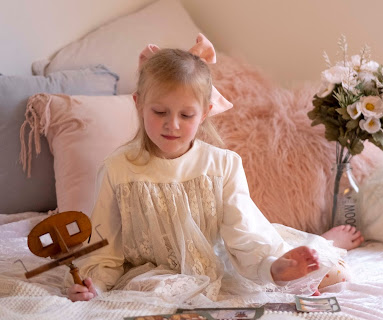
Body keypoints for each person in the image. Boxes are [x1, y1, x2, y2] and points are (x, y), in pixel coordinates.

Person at [66, 34, 364, 304]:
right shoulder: (117, 168)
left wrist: (272, 268)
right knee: (161, 292)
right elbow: (105, 246)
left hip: (222, 261)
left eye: (186, 115)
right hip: (153, 272)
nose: (172, 124)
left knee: (333, 273)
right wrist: (96, 285)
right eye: (160, 112)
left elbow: (243, 233)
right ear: (139, 104)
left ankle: (327, 241)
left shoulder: (223, 164)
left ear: (205, 112)